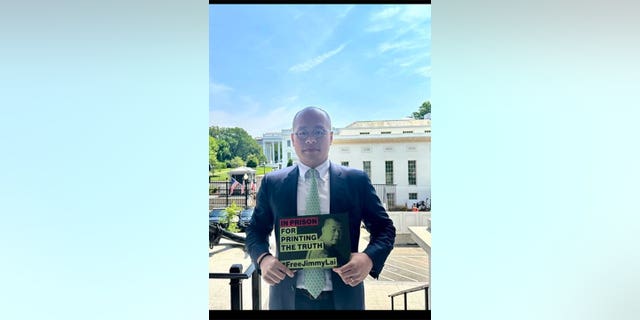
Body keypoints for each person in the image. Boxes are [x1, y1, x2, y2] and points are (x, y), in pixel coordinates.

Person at [245, 106, 396, 310]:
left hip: (343, 299)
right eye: (303, 132)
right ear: (293, 138)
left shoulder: (356, 181)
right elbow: (255, 230)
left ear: (331, 137)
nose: (310, 139)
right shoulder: (273, 183)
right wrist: (263, 258)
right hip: (287, 300)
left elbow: (385, 229)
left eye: (318, 131)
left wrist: (368, 258)